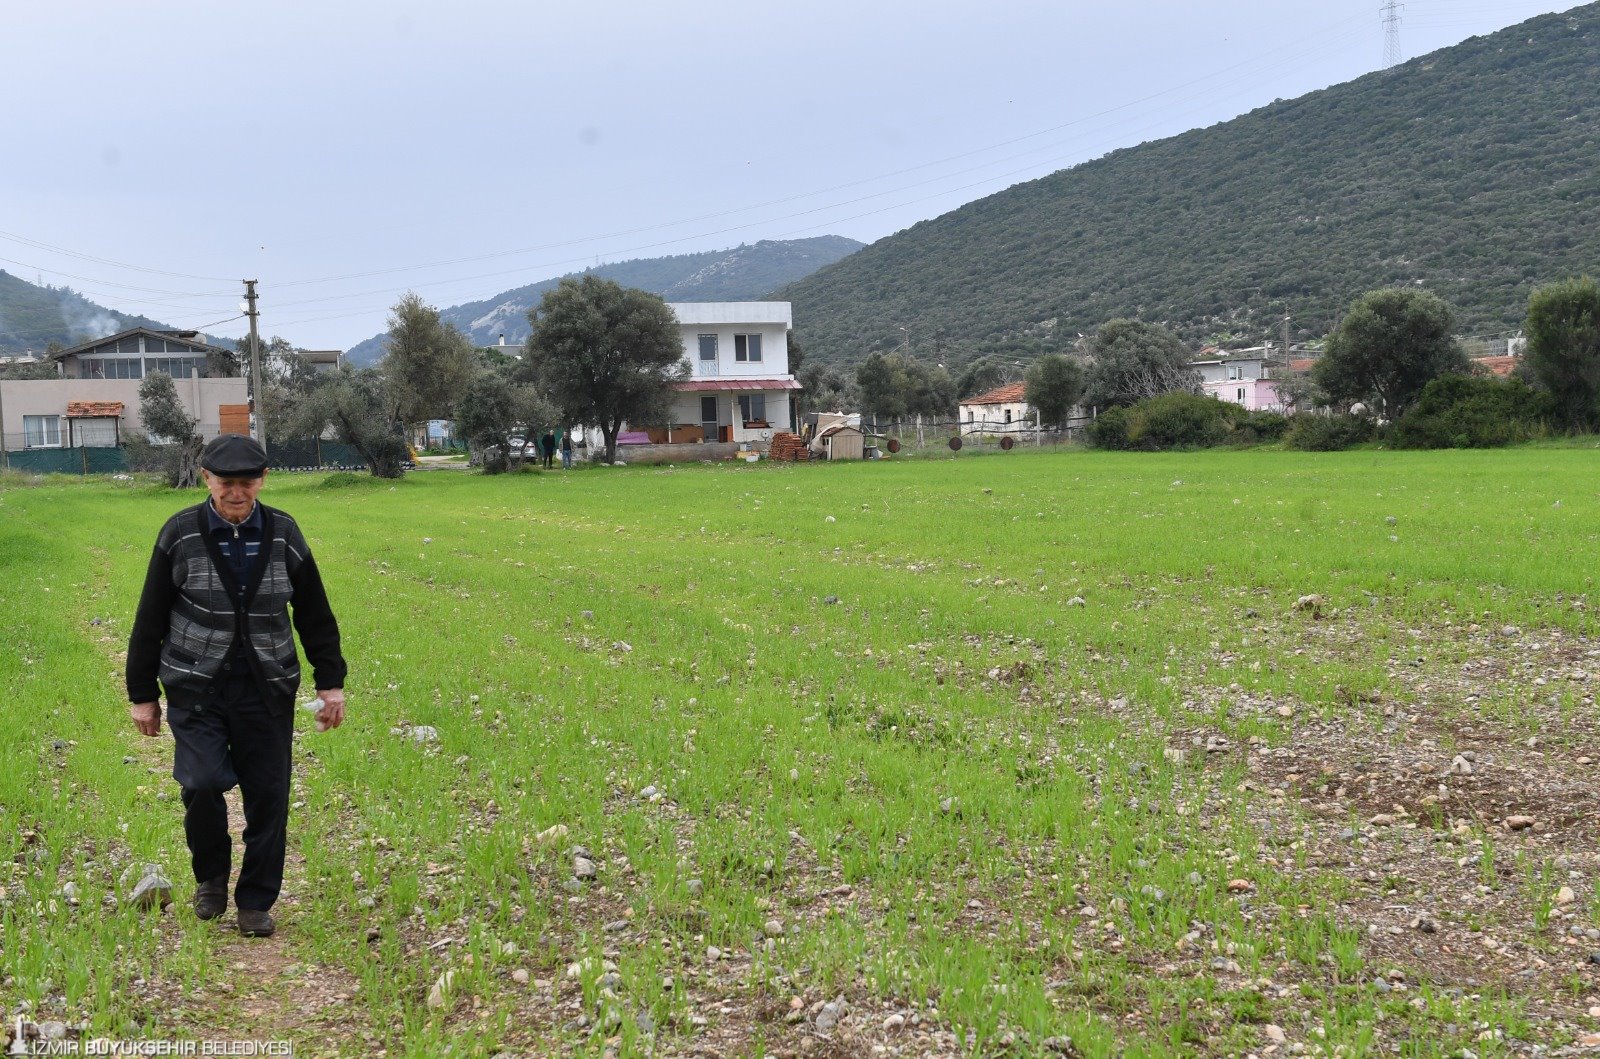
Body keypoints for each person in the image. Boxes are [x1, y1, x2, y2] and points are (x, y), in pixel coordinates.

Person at [126, 434, 346, 938]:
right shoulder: (180, 532)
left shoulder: (285, 533)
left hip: (267, 688)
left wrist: (330, 684)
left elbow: (314, 614)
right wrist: (143, 694)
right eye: (226, 483)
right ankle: (210, 879)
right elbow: (150, 616)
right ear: (207, 479)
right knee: (201, 784)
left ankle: (255, 900)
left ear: (262, 481)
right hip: (196, 687)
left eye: (247, 483)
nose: (236, 493)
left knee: (268, 795)